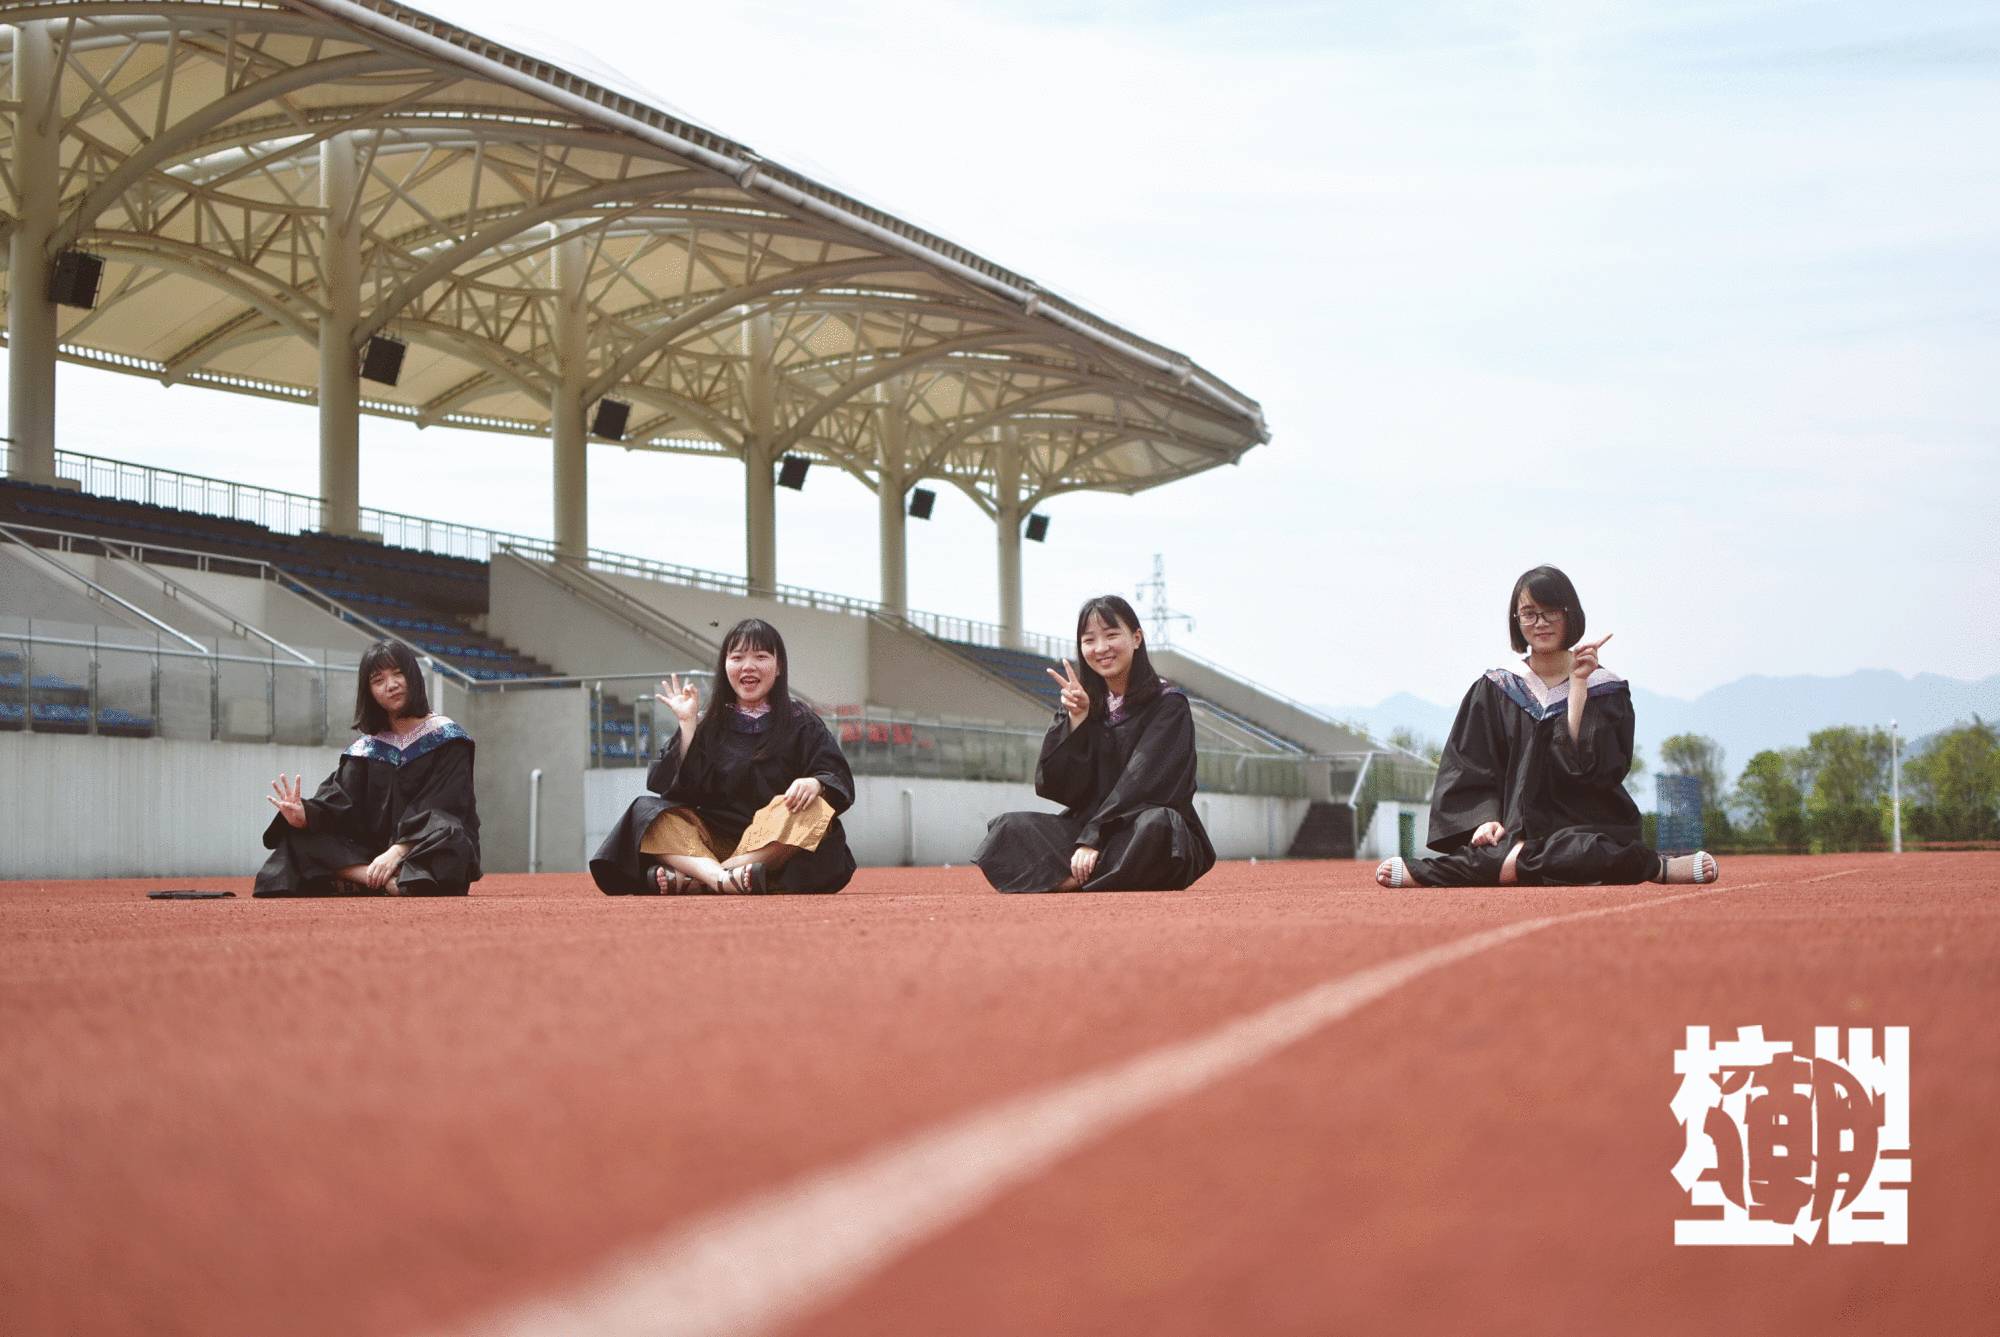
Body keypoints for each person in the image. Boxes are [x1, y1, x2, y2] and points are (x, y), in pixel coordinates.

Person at [1376, 565, 1718, 889]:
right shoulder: (1496, 688)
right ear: (1517, 620)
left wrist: (1579, 686)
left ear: (1570, 614)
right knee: (1567, 857)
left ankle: (1479, 869)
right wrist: (1484, 820)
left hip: (1588, 825)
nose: (1540, 622)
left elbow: (1596, 770)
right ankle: (1651, 867)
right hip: (1513, 828)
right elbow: (1470, 765)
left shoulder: (1605, 688)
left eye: (1551, 611)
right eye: (1529, 613)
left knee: (1585, 851)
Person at [590, 618, 856, 894]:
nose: (748, 666)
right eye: (737, 657)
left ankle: (705, 878)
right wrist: (688, 727)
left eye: (761, 657)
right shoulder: (710, 723)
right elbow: (674, 791)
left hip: (776, 842)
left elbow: (836, 777)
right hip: (711, 839)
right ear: (725, 667)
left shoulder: (801, 723)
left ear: (778, 668)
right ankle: (725, 878)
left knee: (816, 808)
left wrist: (816, 783)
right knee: (646, 812)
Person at [974, 594, 1216, 893]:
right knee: (1008, 829)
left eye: (1112, 635)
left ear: (1137, 638)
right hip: (1088, 833)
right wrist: (1077, 722)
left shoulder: (1167, 704)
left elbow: (1144, 781)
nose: (1101, 648)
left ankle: (1072, 880)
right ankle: (1098, 878)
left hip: (1136, 830)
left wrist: (1094, 837)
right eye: (1089, 640)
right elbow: (1056, 786)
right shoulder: (1083, 704)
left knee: (1160, 826)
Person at [255, 640, 480, 897]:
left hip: (416, 849)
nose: (391, 685)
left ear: (413, 677)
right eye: (378, 680)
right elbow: (340, 801)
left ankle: (367, 877)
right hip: (371, 854)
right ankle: (381, 881)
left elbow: (443, 806)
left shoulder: (447, 738)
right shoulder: (368, 749)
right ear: (369, 691)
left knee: (452, 836)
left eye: (398, 673)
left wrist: (397, 852)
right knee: (300, 837)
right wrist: (304, 814)